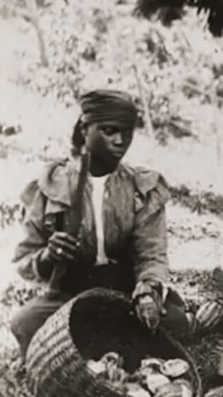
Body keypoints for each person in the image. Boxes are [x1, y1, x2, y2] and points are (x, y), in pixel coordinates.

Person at [10, 89, 189, 362]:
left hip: (125, 295)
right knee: (26, 323)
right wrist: (48, 255)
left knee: (175, 322)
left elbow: (151, 255)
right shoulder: (52, 187)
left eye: (127, 133)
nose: (120, 141)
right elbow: (24, 261)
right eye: (109, 131)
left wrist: (148, 291)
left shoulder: (141, 187)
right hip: (70, 296)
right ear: (85, 129)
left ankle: (105, 347)